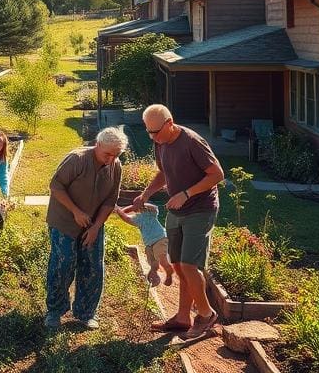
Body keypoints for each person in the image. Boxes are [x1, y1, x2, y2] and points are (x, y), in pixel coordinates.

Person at [132, 104, 225, 340]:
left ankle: (206, 315)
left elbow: (217, 175)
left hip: (200, 209)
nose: (153, 137)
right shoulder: (159, 142)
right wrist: (146, 194)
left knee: (189, 265)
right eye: (149, 132)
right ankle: (183, 318)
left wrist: (186, 193)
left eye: (156, 132)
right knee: (178, 265)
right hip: (177, 210)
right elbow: (163, 172)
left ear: (170, 122)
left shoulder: (192, 142)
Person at [44, 127, 125, 331]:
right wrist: (76, 212)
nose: (111, 159)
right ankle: (55, 311)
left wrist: (96, 226)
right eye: (107, 153)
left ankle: (86, 313)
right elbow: (56, 186)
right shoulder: (77, 159)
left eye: (116, 155)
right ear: (97, 145)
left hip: (92, 225)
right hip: (64, 221)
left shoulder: (116, 166)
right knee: (63, 264)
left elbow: (110, 200)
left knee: (93, 267)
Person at [115, 201, 174, 287]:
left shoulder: (152, 214)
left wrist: (138, 205)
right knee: (153, 264)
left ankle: (168, 271)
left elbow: (154, 207)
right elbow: (125, 217)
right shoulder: (138, 218)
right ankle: (154, 278)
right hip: (149, 244)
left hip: (160, 239)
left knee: (161, 257)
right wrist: (124, 209)